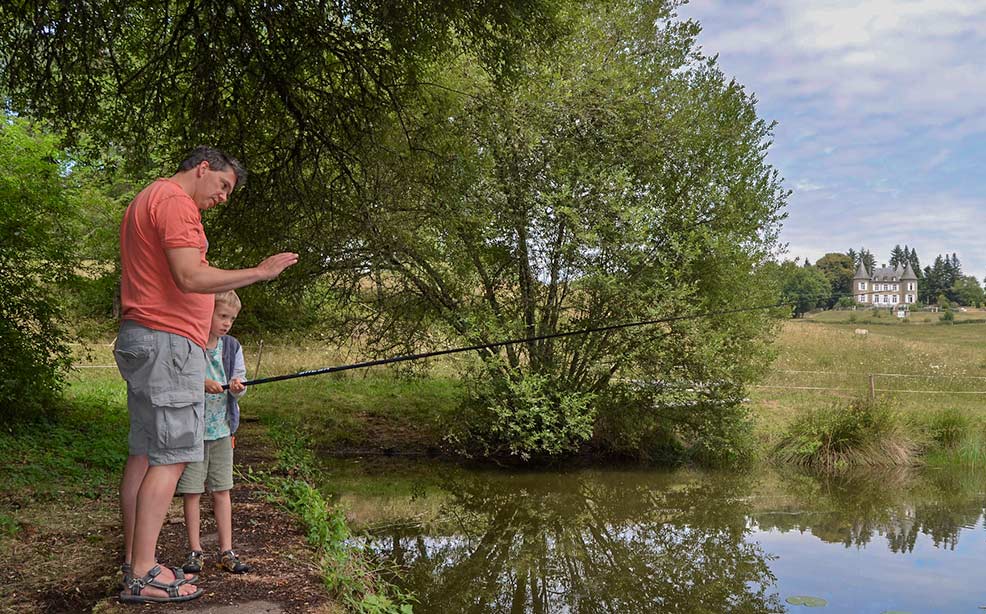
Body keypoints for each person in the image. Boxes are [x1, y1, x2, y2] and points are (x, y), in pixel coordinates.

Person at [114, 146, 298, 604]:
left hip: (145, 337)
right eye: (223, 186)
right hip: (168, 343)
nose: (222, 198)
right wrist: (257, 272)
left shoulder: (147, 198)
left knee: (144, 453)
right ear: (203, 169)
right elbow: (190, 276)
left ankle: (135, 559)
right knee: (172, 457)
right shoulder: (176, 203)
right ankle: (142, 573)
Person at [176, 290, 252, 575]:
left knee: (223, 490)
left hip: (221, 431)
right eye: (222, 316)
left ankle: (226, 550)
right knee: (192, 492)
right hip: (193, 433)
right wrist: (202, 382)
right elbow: (180, 378)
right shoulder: (190, 344)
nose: (227, 323)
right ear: (204, 312)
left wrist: (238, 386)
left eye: (231, 318)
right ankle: (195, 550)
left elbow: (242, 382)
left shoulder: (232, 347)